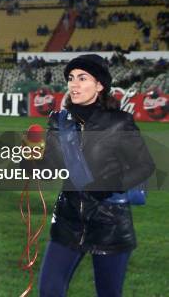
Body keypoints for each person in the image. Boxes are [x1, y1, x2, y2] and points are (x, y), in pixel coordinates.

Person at [38, 54, 155, 297]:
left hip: (109, 222)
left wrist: (113, 185)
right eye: (71, 78)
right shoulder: (59, 121)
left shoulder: (120, 122)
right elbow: (51, 165)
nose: (74, 84)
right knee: (49, 290)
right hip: (68, 220)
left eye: (83, 78)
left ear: (100, 85)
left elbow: (144, 166)